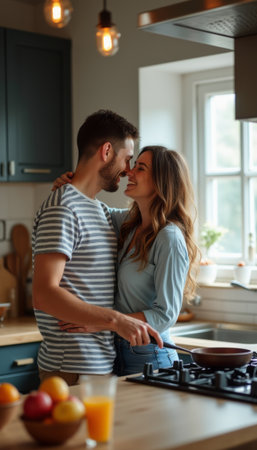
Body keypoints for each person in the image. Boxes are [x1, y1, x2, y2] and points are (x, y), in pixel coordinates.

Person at [32, 110, 162, 386]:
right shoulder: (63, 209)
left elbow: (152, 216)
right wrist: (117, 321)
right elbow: (44, 294)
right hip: (69, 369)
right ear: (106, 151)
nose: (128, 170)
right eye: (127, 159)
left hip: (97, 367)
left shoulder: (99, 210)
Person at [56, 146, 199, 376]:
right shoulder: (129, 223)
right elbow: (91, 209)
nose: (128, 172)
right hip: (117, 351)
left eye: (140, 168)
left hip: (151, 355)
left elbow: (165, 315)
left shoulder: (168, 237)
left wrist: (103, 322)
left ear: (162, 181)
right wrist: (72, 188)